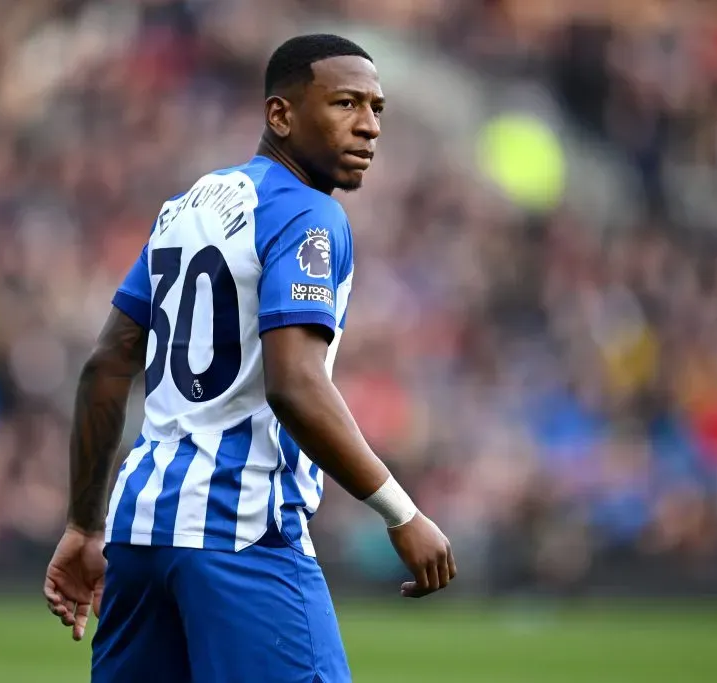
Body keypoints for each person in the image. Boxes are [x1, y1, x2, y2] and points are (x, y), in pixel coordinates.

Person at [43, 33, 456, 683]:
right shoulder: (308, 215)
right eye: (346, 103)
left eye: (377, 108)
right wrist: (401, 514)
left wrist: (83, 523)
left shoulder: (187, 207)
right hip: (239, 530)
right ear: (281, 115)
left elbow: (108, 364)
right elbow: (295, 385)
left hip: (139, 532)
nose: (369, 126)